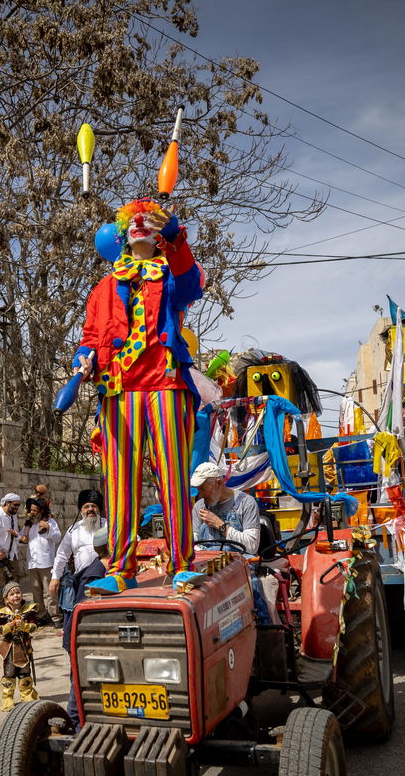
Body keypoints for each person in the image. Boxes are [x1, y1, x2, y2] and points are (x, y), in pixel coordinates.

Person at [72, 198, 204, 593]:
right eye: (134, 221)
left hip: (165, 383)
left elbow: (191, 285)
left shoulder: (171, 273)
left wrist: (176, 235)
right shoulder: (105, 285)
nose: (140, 224)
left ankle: (182, 562)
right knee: (120, 479)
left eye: (149, 221)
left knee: (173, 476)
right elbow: (91, 336)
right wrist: (84, 359)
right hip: (118, 388)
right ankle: (121, 568)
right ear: (123, 234)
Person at [191, 461, 271, 621]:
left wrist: (221, 526)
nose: (199, 494)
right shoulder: (199, 506)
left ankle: (263, 629)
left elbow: (252, 545)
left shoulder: (246, 503)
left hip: (239, 562)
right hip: (208, 563)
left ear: (218, 483)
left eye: (202, 488)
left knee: (252, 584)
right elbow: (194, 541)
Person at [61, 527, 110, 730]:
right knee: (81, 684)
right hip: (81, 638)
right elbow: (85, 612)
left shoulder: (103, 569)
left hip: (86, 637)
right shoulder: (94, 575)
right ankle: (75, 727)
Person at [50, 489, 105, 609]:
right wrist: (55, 577)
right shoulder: (73, 530)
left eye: (94, 506)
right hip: (81, 581)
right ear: (81, 510)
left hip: (105, 580)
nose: (90, 509)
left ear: (99, 509)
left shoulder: (109, 526)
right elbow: (61, 555)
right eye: (86, 506)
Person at [0, 582, 39, 711]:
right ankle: (7, 698)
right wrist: (11, 625)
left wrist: (23, 626)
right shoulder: (2, 613)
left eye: (18, 592)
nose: (15, 596)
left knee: (25, 671)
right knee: (9, 672)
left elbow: (34, 626)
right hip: (9, 648)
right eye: (12, 594)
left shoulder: (29, 610)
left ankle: (27, 695)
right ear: (6, 598)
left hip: (23, 647)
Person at [19, 497, 62, 624]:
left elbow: (57, 538)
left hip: (46, 562)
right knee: (36, 591)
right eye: (31, 510)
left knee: (50, 591)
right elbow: (22, 540)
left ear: (41, 511)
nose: (32, 512)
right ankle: (42, 615)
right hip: (32, 563)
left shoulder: (51, 521)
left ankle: (55, 616)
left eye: (35, 510)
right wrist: (17, 535)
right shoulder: (29, 524)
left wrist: (48, 528)